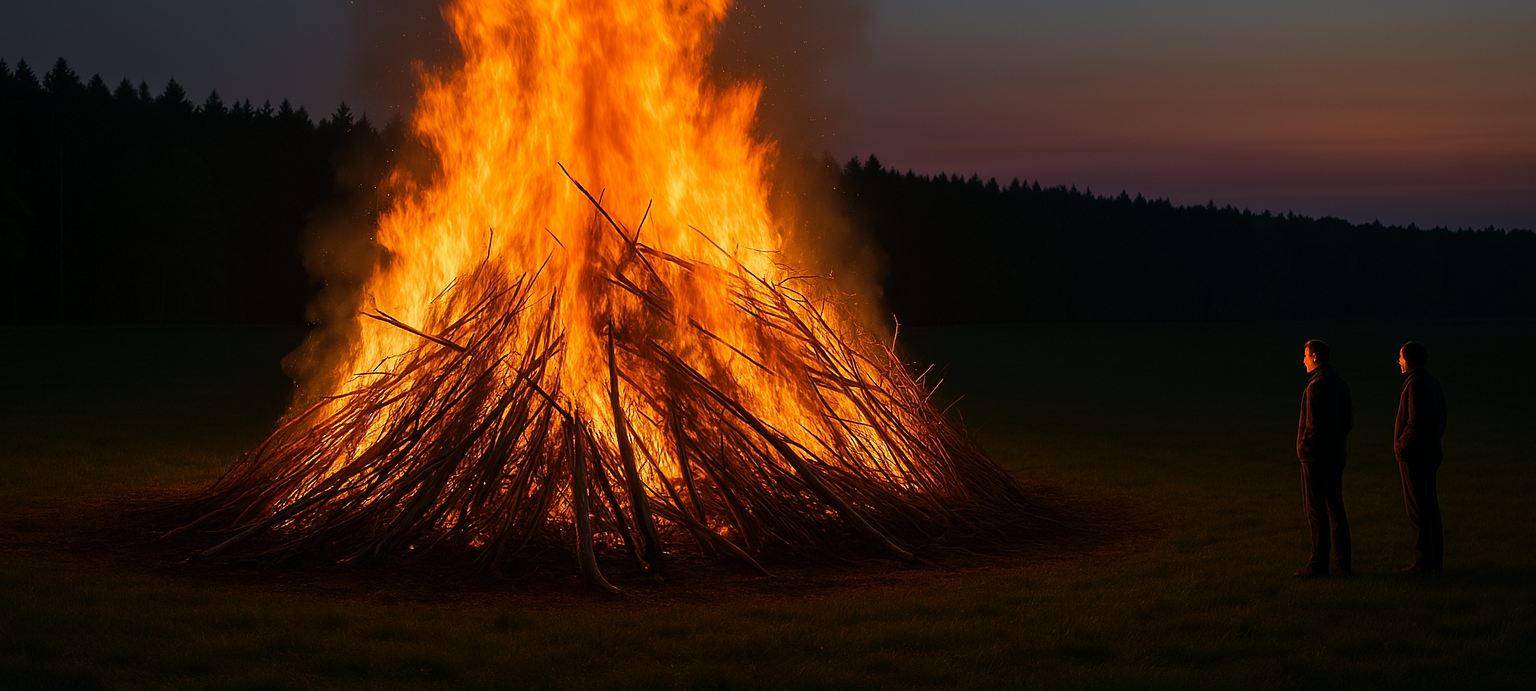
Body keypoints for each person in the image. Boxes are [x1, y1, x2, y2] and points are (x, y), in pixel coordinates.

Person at [1294, 339, 1353, 578]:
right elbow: (1347, 422)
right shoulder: (1341, 384)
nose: (1304, 360)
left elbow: (1313, 426)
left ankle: (1318, 563)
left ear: (1315, 357)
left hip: (1316, 458)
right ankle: (1342, 563)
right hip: (1336, 455)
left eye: (1306, 355)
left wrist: (1304, 450)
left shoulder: (1315, 387)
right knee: (1336, 508)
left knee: (1316, 510)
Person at [1395, 341, 1447, 574]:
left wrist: (1401, 447)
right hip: (1430, 452)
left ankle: (1424, 561)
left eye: (1401, 357)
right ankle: (1435, 560)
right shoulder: (1432, 382)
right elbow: (1441, 419)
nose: (1399, 362)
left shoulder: (1414, 384)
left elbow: (1414, 422)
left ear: (1409, 359)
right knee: (1429, 507)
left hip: (1415, 455)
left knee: (1418, 510)